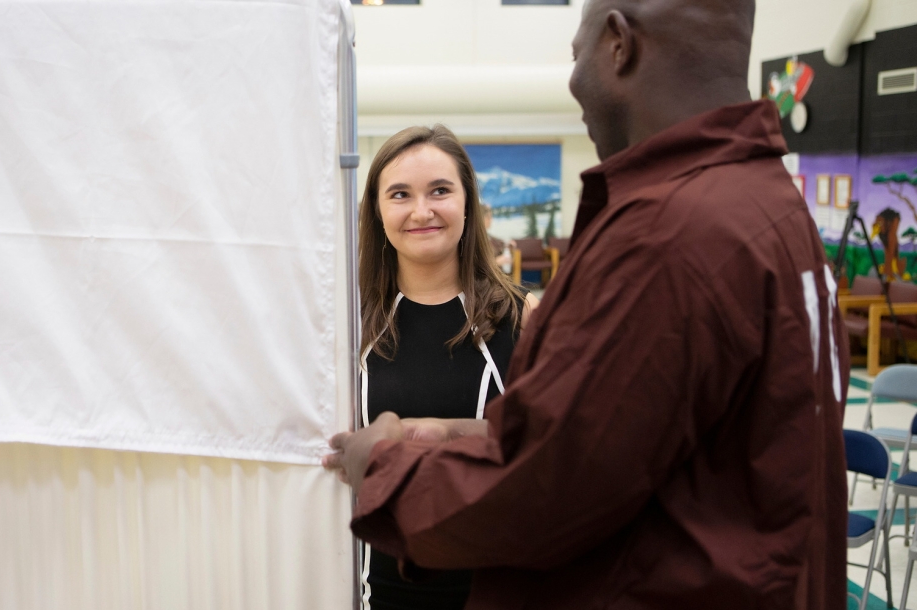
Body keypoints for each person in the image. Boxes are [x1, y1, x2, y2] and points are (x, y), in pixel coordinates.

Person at [323, 0, 849, 608]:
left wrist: (385, 466)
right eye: (399, 195)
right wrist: (458, 436)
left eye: (577, 54)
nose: (574, 82)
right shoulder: (771, 207)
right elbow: (621, 441)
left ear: (618, 44)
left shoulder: (667, 235)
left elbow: (549, 490)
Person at [354, 125, 536, 610]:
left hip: (496, 593)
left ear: (468, 202)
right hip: (374, 597)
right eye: (400, 194)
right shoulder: (346, 327)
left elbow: (554, 449)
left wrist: (443, 434)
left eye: (440, 190)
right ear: (376, 209)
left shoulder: (525, 317)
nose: (421, 210)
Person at [480, 204, 512, 272]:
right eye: (489, 217)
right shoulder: (476, 240)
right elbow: (476, 265)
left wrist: (507, 244)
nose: (490, 220)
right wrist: (496, 262)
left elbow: (499, 242)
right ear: (481, 218)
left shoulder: (488, 236)